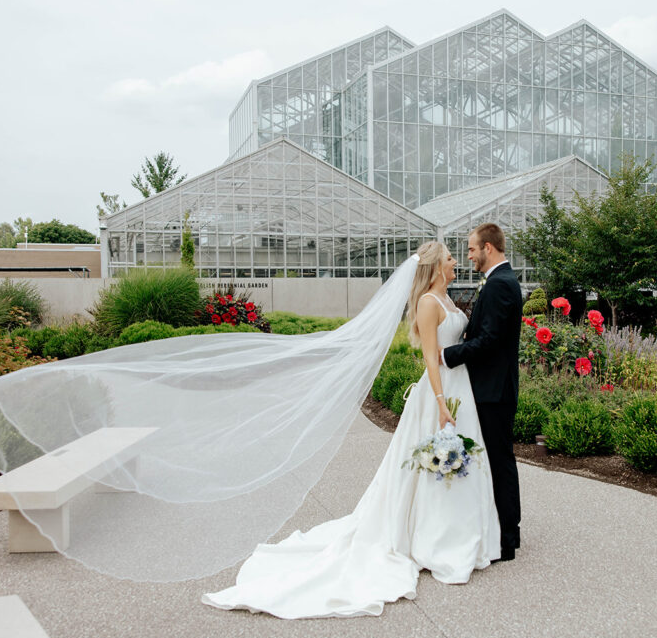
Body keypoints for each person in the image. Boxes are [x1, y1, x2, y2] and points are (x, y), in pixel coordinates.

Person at [202, 241, 501, 618]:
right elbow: (430, 356)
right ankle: (433, 539)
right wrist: (441, 402)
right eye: (450, 258)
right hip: (439, 394)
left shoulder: (449, 302)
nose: (456, 261)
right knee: (433, 463)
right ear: (436, 266)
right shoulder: (428, 303)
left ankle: (459, 535)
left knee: (460, 462)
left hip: (462, 391)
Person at [440, 223, 522, 562]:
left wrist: (448, 355)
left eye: (472, 249)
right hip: (490, 387)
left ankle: (508, 537)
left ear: (488, 247)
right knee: (495, 459)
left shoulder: (501, 285)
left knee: (500, 460)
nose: (468, 256)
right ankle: (500, 529)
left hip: (494, 390)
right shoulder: (498, 282)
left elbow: (490, 341)